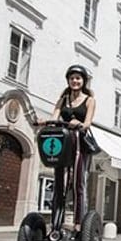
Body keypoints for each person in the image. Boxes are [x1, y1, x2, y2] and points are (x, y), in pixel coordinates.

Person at [42, 64, 96, 230]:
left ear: (83, 81)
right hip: (62, 143)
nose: (75, 81)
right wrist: (44, 122)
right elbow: (54, 117)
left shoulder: (89, 100)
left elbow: (87, 123)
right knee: (59, 182)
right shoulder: (62, 100)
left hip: (79, 142)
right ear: (68, 80)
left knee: (78, 183)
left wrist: (79, 123)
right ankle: (56, 223)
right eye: (72, 78)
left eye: (78, 78)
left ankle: (79, 223)